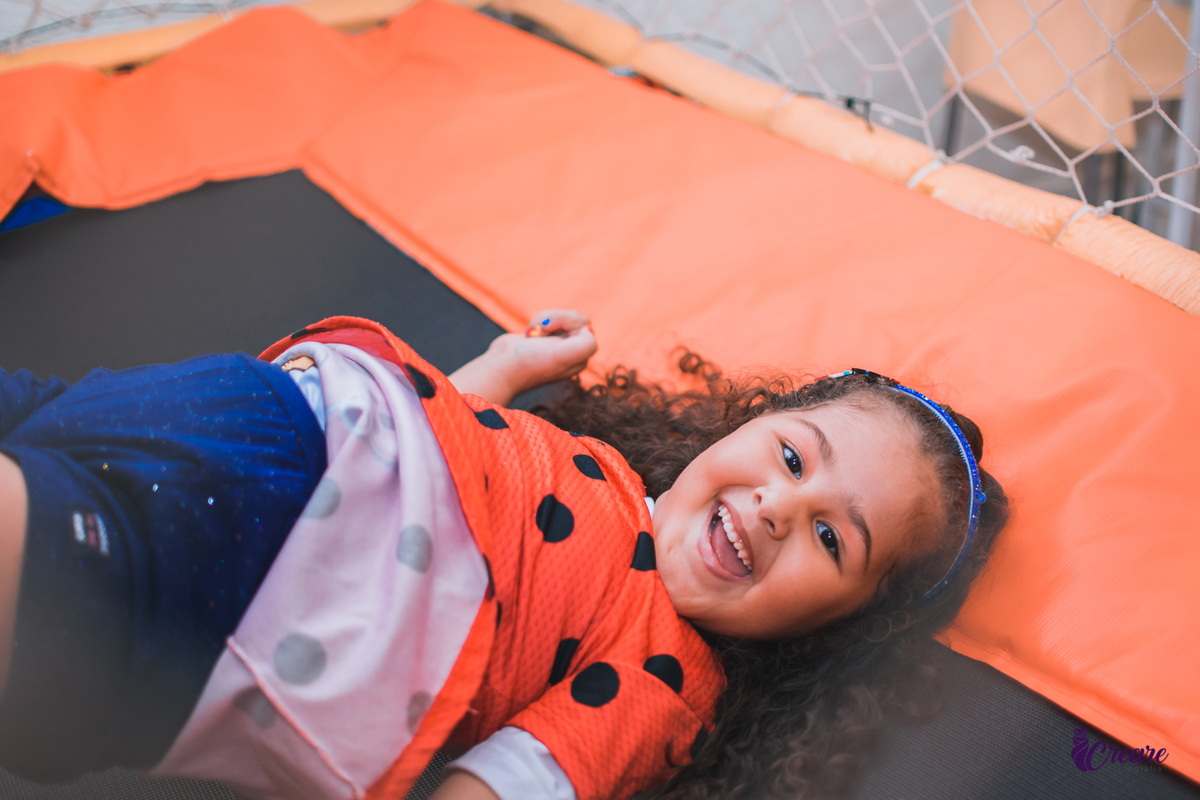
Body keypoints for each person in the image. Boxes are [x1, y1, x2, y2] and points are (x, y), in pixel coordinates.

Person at [0, 309, 1008, 800]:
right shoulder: (611, 473)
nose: (780, 505)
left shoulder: (668, 676)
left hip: (260, 560)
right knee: (38, 417)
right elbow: (456, 456)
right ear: (754, 422)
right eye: (792, 454)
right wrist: (508, 369)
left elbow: (509, 780)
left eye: (834, 537)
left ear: (838, 622)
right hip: (270, 417)